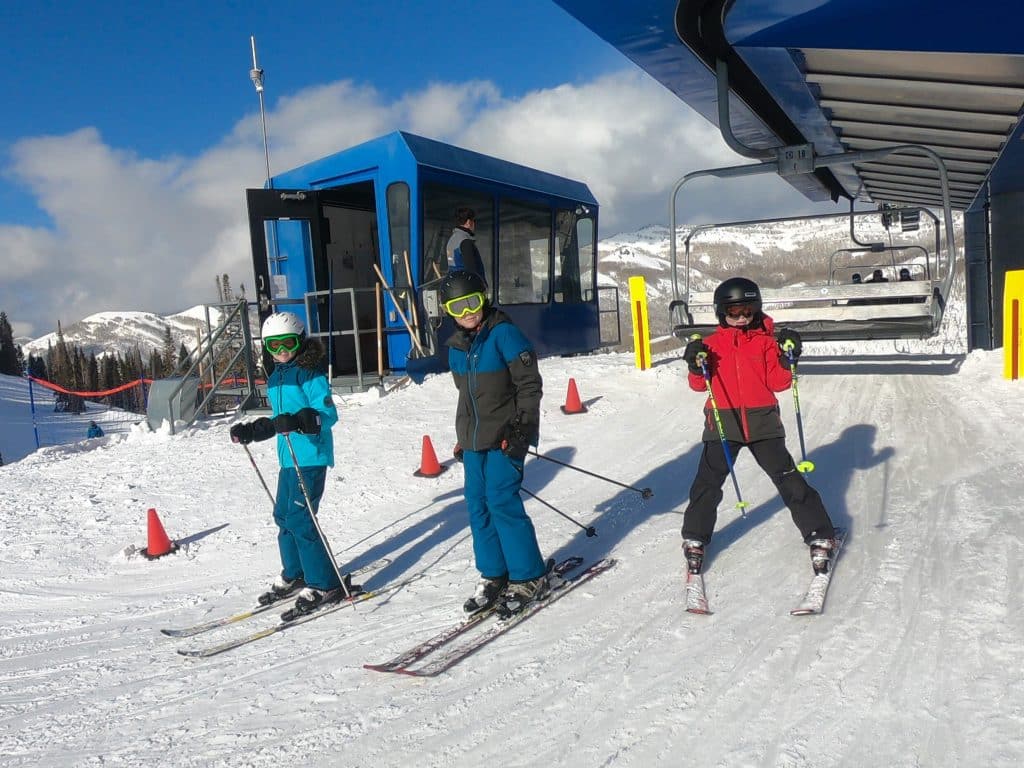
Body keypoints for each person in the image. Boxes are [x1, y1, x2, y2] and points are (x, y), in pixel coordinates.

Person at [681, 277, 838, 577]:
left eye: (747, 311)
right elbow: (699, 386)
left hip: (762, 422)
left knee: (789, 480)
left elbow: (779, 383)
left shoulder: (766, 342)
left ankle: (819, 533)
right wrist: (694, 364)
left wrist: (787, 358)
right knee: (707, 484)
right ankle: (695, 537)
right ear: (721, 312)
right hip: (723, 424)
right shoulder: (711, 346)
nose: (741, 318)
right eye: (734, 312)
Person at [440, 269, 548, 618]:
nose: (467, 312)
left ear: (484, 297)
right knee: (477, 504)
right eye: (458, 307)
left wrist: (522, 427)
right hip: (474, 441)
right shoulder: (457, 346)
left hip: (506, 436)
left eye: (472, 302)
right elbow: (467, 398)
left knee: (501, 500)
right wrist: (463, 438)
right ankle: (494, 574)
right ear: (448, 311)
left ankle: (528, 575)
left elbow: (529, 385)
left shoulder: (505, 335)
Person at [229, 311, 349, 617]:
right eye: (273, 345)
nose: (281, 350)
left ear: (300, 340)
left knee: (300, 518)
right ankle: (295, 572)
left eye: (287, 343)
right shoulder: (277, 376)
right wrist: (254, 431)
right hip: (288, 458)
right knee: (283, 515)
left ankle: (324, 583)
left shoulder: (311, 373)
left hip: (310, 456)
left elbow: (327, 415)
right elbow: (278, 420)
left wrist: (302, 420)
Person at [446, 206, 486, 282]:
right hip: (468, 288)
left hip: (456, 285)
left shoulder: (451, 240)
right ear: (468, 222)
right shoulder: (465, 241)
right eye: (474, 221)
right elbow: (472, 271)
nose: (474, 224)